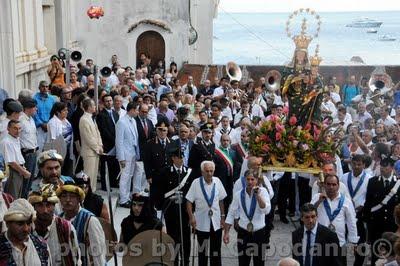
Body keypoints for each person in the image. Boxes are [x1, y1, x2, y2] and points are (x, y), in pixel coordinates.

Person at [151, 147, 193, 266]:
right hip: (171, 211)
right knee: (173, 238)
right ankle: (173, 262)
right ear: (173, 158)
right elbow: (158, 191)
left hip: (185, 211)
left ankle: (185, 261)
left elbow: (192, 193)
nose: (181, 160)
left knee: (185, 238)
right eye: (179, 157)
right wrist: (161, 205)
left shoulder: (188, 173)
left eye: (182, 157)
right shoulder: (165, 172)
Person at [224, 170, 271, 266]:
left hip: (259, 233)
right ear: (245, 180)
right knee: (243, 262)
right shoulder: (238, 194)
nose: (250, 182)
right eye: (248, 179)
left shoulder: (263, 192)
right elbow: (231, 213)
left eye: (252, 179)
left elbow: (266, 210)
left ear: (257, 180)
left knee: (259, 262)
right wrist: (226, 232)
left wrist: (258, 195)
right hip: (243, 232)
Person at [186, 161, 227, 266]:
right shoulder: (196, 183)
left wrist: (223, 217)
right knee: (202, 252)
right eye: (207, 171)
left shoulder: (217, 181)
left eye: (211, 171)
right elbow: (189, 201)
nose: (209, 173)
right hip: (201, 222)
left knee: (216, 252)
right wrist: (191, 217)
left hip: (216, 222)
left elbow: (221, 200)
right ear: (202, 172)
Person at [311, 174, 358, 265]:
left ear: (338, 185)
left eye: (334, 184)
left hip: (339, 243)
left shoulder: (346, 201)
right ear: (324, 185)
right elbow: (308, 213)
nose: (331, 187)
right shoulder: (317, 197)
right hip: (320, 242)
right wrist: (319, 202)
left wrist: (353, 242)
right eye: (328, 184)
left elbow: (351, 222)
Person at [28, 184, 81, 265]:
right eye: (40, 205)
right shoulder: (27, 227)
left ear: (54, 206)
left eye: (48, 205)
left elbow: (75, 260)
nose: (45, 210)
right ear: (34, 207)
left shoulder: (66, 227)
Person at [56, 181, 106, 265]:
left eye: (72, 196)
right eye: (64, 196)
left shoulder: (90, 220)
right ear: (60, 199)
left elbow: (98, 254)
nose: (68, 200)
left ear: (79, 199)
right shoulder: (58, 219)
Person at [363, 157, 400, 265]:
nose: (382, 169)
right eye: (381, 166)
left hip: (392, 225)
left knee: (392, 254)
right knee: (376, 252)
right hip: (376, 225)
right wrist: (367, 221)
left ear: (392, 167)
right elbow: (368, 203)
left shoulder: (398, 184)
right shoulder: (373, 182)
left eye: (386, 166)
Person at [0, 199, 51, 265]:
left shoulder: (41, 245)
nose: (26, 229)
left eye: (29, 223)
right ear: (8, 223)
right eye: (20, 224)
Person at [341, 154, 371, 266]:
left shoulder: (368, 179)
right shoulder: (344, 177)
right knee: (341, 241)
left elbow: (369, 196)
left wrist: (361, 206)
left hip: (359, 214)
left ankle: (358, 264)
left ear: (364, 165)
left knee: (360, 242)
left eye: (359, 164)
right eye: (354, 164)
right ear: (351, 164)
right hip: (344, 213)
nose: (356, 166)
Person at [116, 102, 140, 207]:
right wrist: (121, 157)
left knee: (129, 176)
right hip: (125, 154)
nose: (138, 112)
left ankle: (126, 197)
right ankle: (123, 200)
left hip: (133, 152)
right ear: (132, 110)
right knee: (125, 176)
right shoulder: (121, 122)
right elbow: (119, 141)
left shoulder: (133, 121)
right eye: (137, 110)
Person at [0, 120, 30, 199]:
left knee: (17, 196)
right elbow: (11, 162)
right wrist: (24, 172)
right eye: (15, 128)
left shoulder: (15, 139)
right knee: (12, 198)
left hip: (18, 170)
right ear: (8, 128)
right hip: (12, 172)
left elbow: (17, 157)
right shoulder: (6, 142)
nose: (18, 131)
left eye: (19, 128)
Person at [96, 94, 120, 190]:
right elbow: (104, 131)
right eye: (107, 101)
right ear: (103, 103)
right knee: (105, 166)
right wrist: (114, 140)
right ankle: (105, 185)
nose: (109, 102)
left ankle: (113, 183)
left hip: (116, 144)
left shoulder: (115, 113)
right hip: (107, 144)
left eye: (110, 100)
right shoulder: (101, 115)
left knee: (114, 165)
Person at [79, 98, 103, 191]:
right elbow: (88, 137)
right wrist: (97, 148)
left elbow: (98, 133)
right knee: (88, 175)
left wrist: (100, 145)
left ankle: (92, 193)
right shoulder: (84, 119)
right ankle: (87, 195)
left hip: (95, 152)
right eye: (93, 105)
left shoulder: (91, 118)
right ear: (89, 107)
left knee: (94, 176)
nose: (95, 107)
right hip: (89, 152)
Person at [47, 102, 74, 177]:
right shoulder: (52, 122)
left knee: (67, 171)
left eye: (67, 110)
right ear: (58, 112)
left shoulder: (66, 121)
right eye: (64, 110)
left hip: (67, 149)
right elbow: (54, 140)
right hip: (58, 151)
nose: (67, 112)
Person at [19, 99, 39, 198]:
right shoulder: (21, 120)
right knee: (25, 180)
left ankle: (26, 198)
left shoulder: (31, 119)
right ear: (28, 108)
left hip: (34, 151)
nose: (36, 109)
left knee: (31, 179)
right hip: (26, 153)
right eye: (34, 107)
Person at [144, 120, 172, 187]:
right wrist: (148, 176)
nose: (162, 132)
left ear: (167, 131)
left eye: (164, 130)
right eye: (160, 130)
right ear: (156, 131)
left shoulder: (173, 143)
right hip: (155, 175)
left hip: (170, 175)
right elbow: (147, 162)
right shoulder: (150, 144)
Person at [213, 133, 237, 211]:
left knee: (228, 197)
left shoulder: (233, 152)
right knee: (220, 197)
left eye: (227, 140)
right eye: (224, 140)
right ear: (220, 141)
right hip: (220, 179)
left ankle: (225, 215)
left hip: (230, 179)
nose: (225, 142)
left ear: (230, 141)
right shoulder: (216, 152)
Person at [33, 80, 57, 151]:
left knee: (50, 149)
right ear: (39, 88)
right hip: (39, 127)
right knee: (39, 149)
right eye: (43, 86)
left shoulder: (52, 99)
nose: (45, 88)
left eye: (46, 87)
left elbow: (54, 112)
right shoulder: (35, 99)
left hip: (50, 126)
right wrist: (41, 124)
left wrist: (49, 124)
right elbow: (34, 113)